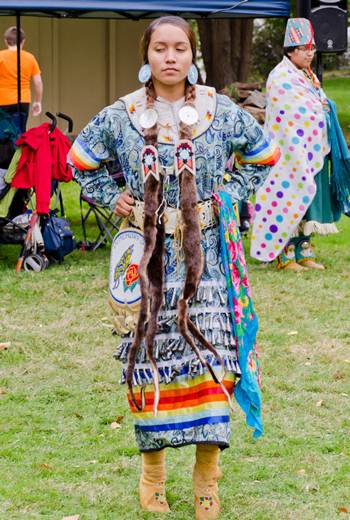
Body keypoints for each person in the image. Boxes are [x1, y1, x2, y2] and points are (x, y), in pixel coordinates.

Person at [68, 16, 280, 519]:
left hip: (208, 257)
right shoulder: (122, 115)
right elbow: (80, 161)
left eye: (180, 48)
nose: (170, 56)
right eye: (159, 48)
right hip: (148, 261)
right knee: (149, 361)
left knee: (215, 358)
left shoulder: (220, 110)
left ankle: (207, 475)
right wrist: (110, 197)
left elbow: (265, 155)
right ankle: (153, 475)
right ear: (146, 55)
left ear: (191, 54)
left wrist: (230, 193)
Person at [251, 18, 350, 271]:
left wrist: (327, 109)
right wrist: (321, 109)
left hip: (312, 149)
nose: (310, 52)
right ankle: (285, 255)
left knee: (309, 201)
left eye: (312, 48)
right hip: (288, 152)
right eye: (305, 48)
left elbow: (318, 105)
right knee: (289, 199)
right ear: (290, 50)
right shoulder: (280, 76)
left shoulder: (308, 76)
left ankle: (303, 250)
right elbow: (291, 113)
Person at [0, 26, 43, 127]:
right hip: (23, 101)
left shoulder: (1, 56)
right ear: (23, 42)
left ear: (6, 42)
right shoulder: (30, 58)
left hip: (3, 100)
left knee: (3, 133)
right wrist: (37, 101)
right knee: (19, 131)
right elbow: (38, 82)